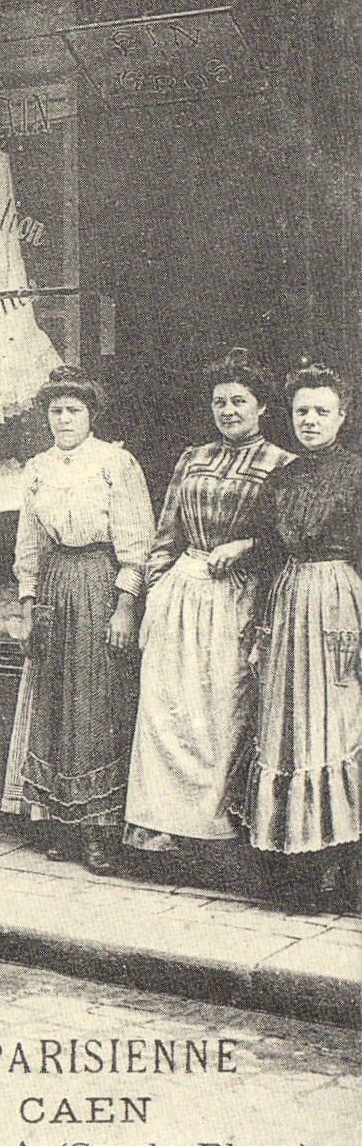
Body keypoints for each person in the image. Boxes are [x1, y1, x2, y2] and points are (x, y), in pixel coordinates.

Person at [123, 348, 294, 863]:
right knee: (166, 710)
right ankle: (159, 830)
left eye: (239, 401)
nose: (228, 411)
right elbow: (166, 533)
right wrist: (152, 594)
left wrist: (246, 549)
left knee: (221, 711)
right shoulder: (192, 458)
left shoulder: (281, 464)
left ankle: (213, 835)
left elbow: (286, 541)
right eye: (220, 402)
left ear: (262, 408)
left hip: (238, 598)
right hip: (180, 594)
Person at [0, 364, 154, 872]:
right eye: (56, 411)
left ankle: (99, 831)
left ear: (91, 415)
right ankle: (60, 820)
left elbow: (137, 544)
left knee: (96, 703)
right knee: (55, 699)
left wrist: (125, 607)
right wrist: (28, 607)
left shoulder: (116, 462)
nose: (63, 419)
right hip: (55, 584)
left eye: (74, 410)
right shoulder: (38, 467)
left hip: (98, 581)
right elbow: (29, 541)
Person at [243, 360, 361, 912]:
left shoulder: (357, 473)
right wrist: (261, 624)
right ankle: (295, 862)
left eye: (321, 411)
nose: (310, 421)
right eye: (301, 412)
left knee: (336, 720)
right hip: (291, 601)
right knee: (289, 722)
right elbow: (267, 553)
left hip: (339, 600)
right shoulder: (282, 478)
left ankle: (340, 865)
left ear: (343, 415)